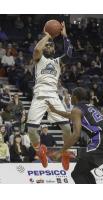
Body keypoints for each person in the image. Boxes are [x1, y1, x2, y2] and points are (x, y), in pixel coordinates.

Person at [46, 87, 103, 184]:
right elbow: (70, 115)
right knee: (83, 171)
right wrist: (55, 111)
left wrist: (60, 151)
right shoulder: (90, 106)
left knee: (77, 174)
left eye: (71, 95)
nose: (70, 97)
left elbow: (76, 135)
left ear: (75, 97)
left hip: (101, 140)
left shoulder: (77, 110)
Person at [26, 21, 73, 168]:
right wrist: (48, 35)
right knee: (32, 130)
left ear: (54, 49)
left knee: (66, 128)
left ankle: (65, 152)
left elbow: (70, 54)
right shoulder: (39, 59)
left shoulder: (58, 61)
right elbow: (37, 50)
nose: (49, 46)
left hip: (53, 96)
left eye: (51, 45)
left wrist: (64, 35)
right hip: (39, 95)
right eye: (47, 45)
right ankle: (39, 151)